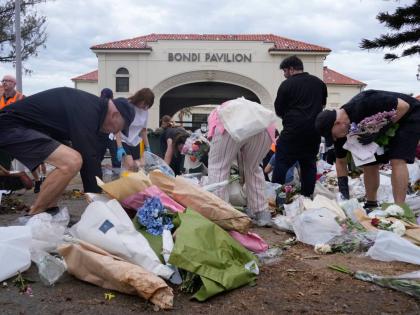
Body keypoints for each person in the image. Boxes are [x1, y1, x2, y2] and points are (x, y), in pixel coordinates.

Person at [0, 87, 135, 214]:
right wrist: (97, 203)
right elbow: (89, 158)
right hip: (10, 126)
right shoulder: (87, 110)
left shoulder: (98, 113)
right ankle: (36, 213)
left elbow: (96, 154)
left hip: (32, 129)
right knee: (72, 160)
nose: (117, 132)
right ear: (115, 115)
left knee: (73, 159)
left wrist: (100, 192)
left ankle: (49, 208)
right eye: (120, 127)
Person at [315, 89, 420, 207]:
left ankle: (399, 208)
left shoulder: (365, 102)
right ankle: (371, 203)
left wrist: (380, 131)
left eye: (332, 135)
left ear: (337, 123)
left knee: (397, 159)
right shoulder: (341, 133)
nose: (334, 139)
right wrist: (344, 196)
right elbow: (340, 162)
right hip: (381, 125)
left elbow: (403, 106)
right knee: (369, 162)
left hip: (408, 115)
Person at [207, 100, 275, 227]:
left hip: (229, 122)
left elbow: (217, 148)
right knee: (253, 169)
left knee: (218, 167)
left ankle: (221, 215)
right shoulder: (252, 108)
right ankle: (262, 213)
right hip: (264, 125)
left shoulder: (216, 114)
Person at [272, 55, 327, 197]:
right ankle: (307, 197)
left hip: (292, 131)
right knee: (309, 165)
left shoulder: (287, 85)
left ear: (291, 69)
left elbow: (279, 110)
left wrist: (290, 118)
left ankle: (276, 198)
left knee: (281, 163)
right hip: (313, 132)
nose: (284, 75)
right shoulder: (319, 83)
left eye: (284, 71)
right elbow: (322, 106)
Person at [0, 74, 45, 193]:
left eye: (8, 81)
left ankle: (37, 180)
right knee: (4, 159)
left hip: (17, 133)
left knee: (28, 158)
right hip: (3, 134)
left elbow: (27, 116)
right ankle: (6, 184)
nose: (4, 83)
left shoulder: (21, 98)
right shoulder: (0, 97)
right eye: (3, 81)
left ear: (14, 84)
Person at [114, 88, 154, 171]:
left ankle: (131, 182)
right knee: (129, 164)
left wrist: (148, 147)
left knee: (137, 167)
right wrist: (119, 147)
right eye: (145, 103)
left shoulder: (145, 111)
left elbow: (143, 130)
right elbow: (117, 126)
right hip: (122, 139)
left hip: (135, 142)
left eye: (148, 105)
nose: (146, 107)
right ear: (140, 99)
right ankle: (123, 182)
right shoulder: (127, 106)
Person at [98, 88, 121, 168]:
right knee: (115, 158)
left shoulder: (98, 104)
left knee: (99, 156)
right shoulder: (115, 106)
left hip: (103, 134)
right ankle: (116, 174)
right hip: (109, 135)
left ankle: (95, 172)